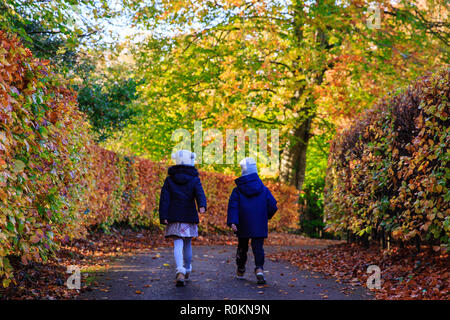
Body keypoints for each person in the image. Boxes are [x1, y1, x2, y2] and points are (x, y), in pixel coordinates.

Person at [159, 149, 207, 287]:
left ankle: (179, 270)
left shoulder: (169, 180)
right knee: (187, 243)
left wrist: (164, 216)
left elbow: (164, 199)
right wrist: (202, 206)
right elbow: (200, 194)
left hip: (174, 216)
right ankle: (187, 268)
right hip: (188, 215)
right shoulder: (194, 179)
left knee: (177, 243)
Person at [227, 157, 278, 284]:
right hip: (259, 223)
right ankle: (259, 269)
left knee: (242, 246)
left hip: (243, 223)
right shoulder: (264, 189)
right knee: (258, 247)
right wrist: (266, 216)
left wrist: (233, 221)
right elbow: (273, 206)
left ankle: (241, 268)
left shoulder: (237, 190)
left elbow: (233, 206)